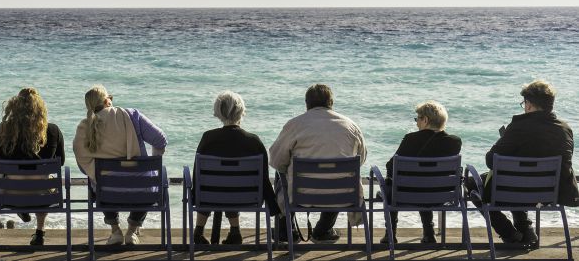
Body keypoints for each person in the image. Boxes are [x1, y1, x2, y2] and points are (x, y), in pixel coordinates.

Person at [473, 80, 579, 247]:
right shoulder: (565, 129)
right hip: (551, 194)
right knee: (521, 176)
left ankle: (509, 233)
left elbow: (490, 160)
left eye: (524, 103)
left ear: (529, 105)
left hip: (512, 191)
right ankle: (526, 231)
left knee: (473, 183)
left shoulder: (517, 127)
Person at [269, 83, 367, 243]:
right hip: (343, 195)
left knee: (281, 172)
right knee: (338, 176)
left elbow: (275, 160)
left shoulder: (295, 125)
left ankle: (285, 231)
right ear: (331, 103)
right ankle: (323, 230)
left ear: (307, 104)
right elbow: (361, 159)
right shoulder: (351, 126)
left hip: (302, 196)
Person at [73, 85, 167, 246]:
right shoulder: (132, 115)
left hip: (107, 194)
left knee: (98, 181)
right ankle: (131, 232)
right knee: (148, 182)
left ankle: (115, 231)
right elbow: (160, 140)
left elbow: (84, 166)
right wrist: (150, 165)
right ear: (107, 100)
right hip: (142, 191)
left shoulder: (84, 127)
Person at [191, 91, 279, 246]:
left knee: (217, 183)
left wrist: (193, 196)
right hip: (247, 198)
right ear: (241, 111)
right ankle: (235, 231)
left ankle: (198, 231)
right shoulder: (253, 141)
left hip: (209, 196)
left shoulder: (208, 138)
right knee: (233, 183)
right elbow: (263, 178)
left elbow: (198, 176)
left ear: (218, 112)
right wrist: (273, 204)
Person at [0, 87, 65, 246]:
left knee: (4, 179)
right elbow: (60, 161)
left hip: (10, 194)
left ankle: (21, 208)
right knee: (44, 179)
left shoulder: (3, 130)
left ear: (14, 106)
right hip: (42, 195)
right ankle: (40, 232)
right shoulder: (53, 130)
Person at [382, 101, 461, 244]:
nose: (417, 123)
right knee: (427, 182)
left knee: (390, 187)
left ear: (425, 120)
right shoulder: (455, 142)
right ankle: (429, 234)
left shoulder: (411, 139)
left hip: (408, 195)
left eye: (417, 119)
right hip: (441, 195)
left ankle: (390, 235)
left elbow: (391, 167)